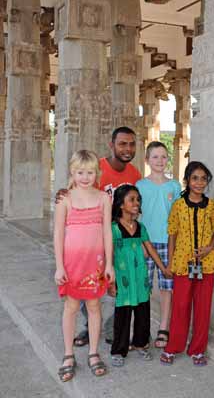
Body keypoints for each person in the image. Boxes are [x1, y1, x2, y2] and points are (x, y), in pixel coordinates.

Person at [56, 126, 141, 347]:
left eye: (132, 144)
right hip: (91, 239)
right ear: (111, 145)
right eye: (122, 143)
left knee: (117, 285)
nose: (127, 148)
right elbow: (76, 187)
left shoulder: (135, 174)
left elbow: (134, 203)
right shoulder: (96, 167)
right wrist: (62, 192)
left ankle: (111, 327)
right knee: (86, 287)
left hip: (119, 237)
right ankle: (88, 327)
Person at [54, 150, 114, 382]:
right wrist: (60, 267)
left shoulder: (103, 198)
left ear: (97, 173)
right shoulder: (65, 199)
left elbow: (107, 232)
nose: (85, 177)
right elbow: (58, 234)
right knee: (70, 306)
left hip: (95, 263)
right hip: (72, 264)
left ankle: (93, 352)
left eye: (90, 172)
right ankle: (68, 354)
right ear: (72, 172)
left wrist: (109, 264)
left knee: (94, 306)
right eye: (80, 172)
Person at [160, 161, 214, 367]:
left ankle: (197, 349)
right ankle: (173, 347)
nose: (199, 182)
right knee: (180, 306)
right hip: (182, 264)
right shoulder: (178, 205)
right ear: (187, 180)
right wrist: (169, 263)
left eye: (203, 178)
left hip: (207, 264)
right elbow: (172, 234)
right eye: (195, 178)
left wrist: (209, 248)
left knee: (203, 308)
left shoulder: (211, 205)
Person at [110, 185, 172, 366]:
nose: (136, 203)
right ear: (121, 204)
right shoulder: (113, 228)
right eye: (132, 199)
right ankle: (118, 350)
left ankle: (140, 344)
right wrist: (111, 281)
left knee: (143, 312)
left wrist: (163, 268)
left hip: (140, 278)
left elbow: (150, 249)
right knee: (123, 314)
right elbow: (110, 254)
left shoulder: (140, 227)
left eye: (138, 200)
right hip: (123, 279)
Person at [136, 141, 181, 348]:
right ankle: (141, 329)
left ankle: (164, 327)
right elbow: (136, 216)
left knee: (166, 288)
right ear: (147, 160)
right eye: (155, 157)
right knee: (143, 287)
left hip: (168, 243)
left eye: (164, 156)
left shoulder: (174, 186)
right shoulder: (140, 185)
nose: (160, 161)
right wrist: (140, 243)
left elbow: (177, 218)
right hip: (146, 243)